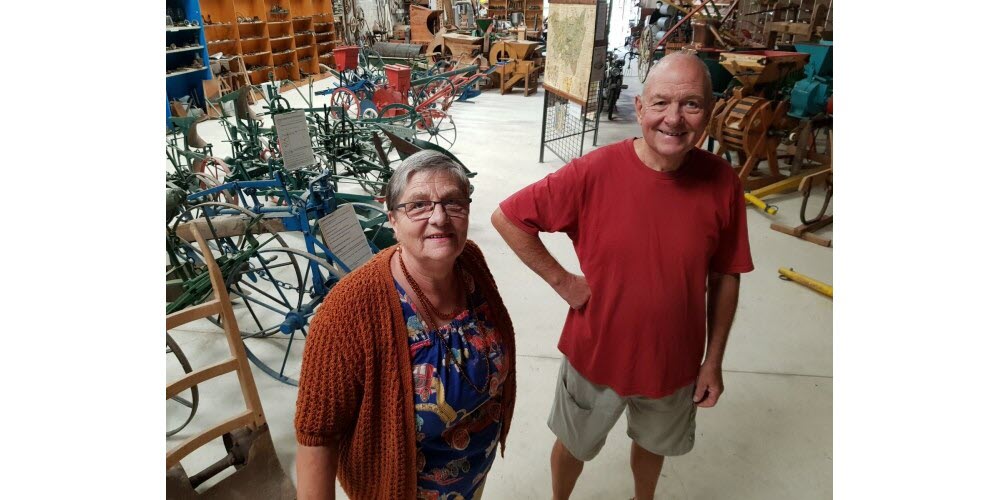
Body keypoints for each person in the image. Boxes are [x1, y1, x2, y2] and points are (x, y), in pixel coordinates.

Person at [491, 53, 753, 499]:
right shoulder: (594, 172)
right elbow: (508, 218)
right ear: (640, 105)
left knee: (653, 445)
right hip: (595, 355)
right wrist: (563, 281)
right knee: (574, 444)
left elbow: (727, 274)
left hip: (675, 361)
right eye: (660, 103)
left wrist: (712, 360)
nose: (673, 119)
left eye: (690, 104)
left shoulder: (723, 182)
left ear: (709, 113)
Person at [295, 150, 517, 499]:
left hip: (473, 480)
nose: (439, 217)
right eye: (418, 205)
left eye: (453, 202)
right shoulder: (348, 310)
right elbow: (316, 437)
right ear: (392, 220)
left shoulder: (470, 261)